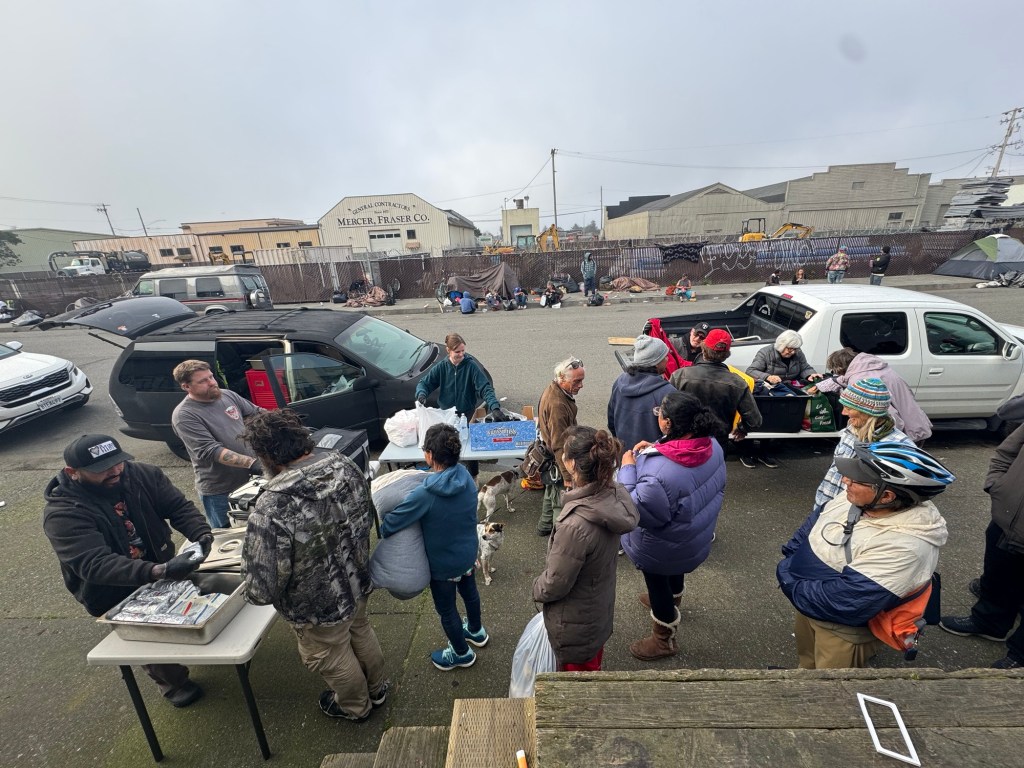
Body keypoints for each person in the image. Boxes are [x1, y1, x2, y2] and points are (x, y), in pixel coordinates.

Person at [43, 434, 213, 707]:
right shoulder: (62, 513)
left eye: (118, 462)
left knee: (185, 614)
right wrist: (160, 570)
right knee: (149, 641)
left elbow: (178, 507)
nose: (115, 471)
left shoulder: (143, 475)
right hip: (112, 589)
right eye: (102, 469)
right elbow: (95, 563)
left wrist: (201, 533)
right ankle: (173, 684)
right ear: (73, 472)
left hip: (160, 564)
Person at [239, 409, 387, 721]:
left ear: (266, 456)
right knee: (360, 629)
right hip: (357, 578)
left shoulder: (273, 504)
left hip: (316, 607)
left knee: (332, 654)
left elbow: (262, 588)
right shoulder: (343, 464)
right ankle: (377, 689)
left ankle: (355, 707)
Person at [777, 442, 953, 669]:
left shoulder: (905, 547)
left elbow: (845, 602)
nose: (845, 481)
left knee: (831, 683)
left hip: (841, 630)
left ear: (886, 495)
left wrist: (788, 577)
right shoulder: (859, 498)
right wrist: (792, 559)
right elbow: (815, 522)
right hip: (808, 602)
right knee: (807, 662)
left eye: (856, 479)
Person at [619, 392, 726, 660]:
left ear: (668, 422)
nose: (658, 417)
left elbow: (636, 509)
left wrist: (628, 468)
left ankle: (663, 638)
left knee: (657, 582)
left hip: (660, 546)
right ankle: (673, 598)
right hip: (690, 534)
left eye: (660, 413)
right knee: (676, 568)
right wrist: (656, 448)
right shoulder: (711, 444)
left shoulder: (660, 473)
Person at [380, 424, 488, 671]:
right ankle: (476, 631)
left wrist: (384, 523)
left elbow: (391, 524)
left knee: (447, 610)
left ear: (429, 455)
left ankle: (461, 653)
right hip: (468, 555)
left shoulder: (426, 494)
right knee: (470, 593)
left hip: (443, 567)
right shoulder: (466, 478)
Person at [533, 426, 639, 671]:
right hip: (596, 609)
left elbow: (554, 584)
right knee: (592, 666)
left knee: (577, 682)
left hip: (574, 623)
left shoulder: (574, 526)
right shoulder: (612, 495)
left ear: (571, 464)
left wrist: (536, 587)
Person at [939, 417, 1024, 669]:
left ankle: (1019, 656)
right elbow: (1008, 449)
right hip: (1008, 516)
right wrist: (997, 485)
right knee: (999, 573)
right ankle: (989, 622)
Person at [171, 359, 262, 529]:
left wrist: (284, 423)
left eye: (211, 377)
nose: (212, 383)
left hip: (250, 481)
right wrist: (252, 463)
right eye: (203, 381)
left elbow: (256, 413)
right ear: (186, 386)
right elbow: (210, 450)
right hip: (221, 491)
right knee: (230, 534)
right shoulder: (184, 415)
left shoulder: (227, 395)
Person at [812, 378, 915, 516]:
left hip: (856, 518)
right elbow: (835, 472)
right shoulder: (851, 431)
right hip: (826, 508)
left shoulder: (898, 446)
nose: (843, 412)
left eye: (849, 408)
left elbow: (899, 495)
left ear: (867, 412)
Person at [416, 332, 506, 479]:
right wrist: (421, 394)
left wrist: (494, 407)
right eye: (457, 352)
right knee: (447, 449)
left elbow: (485, 388)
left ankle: (473, 476)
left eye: (463, 351)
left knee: (470, 449)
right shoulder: (442, 367)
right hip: (447, 416)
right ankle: (448, 476)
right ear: (448, 350)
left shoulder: (471, 366)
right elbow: (424, 383)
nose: (461, 354)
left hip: (467, 413)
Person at [813, 347, 931, 444]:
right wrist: (825, 384)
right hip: (916, 424)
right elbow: (846, 378)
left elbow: (887, 414)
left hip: (903, 437)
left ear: (839, 367)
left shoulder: (860, 380)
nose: (845, 412)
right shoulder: (873, 368)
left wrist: (880, 439)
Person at [670, 330, 762, 450]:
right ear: (726, 354)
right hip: (717, 444)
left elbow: (666, 410)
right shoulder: (738, 383)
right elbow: (755, 421)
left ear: (703, 349)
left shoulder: (679, 375)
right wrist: (742, 429)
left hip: (683, 442)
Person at [536, 357, 585, 536]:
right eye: (577, 381)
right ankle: (559, 537)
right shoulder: (558, 405)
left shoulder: (554, 389)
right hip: (559, 459)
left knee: (551, 491)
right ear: (562, 379)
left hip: (550, 458)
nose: (581, 385)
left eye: (582, 380)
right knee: (560, 502)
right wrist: (567, 476)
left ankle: (544, 526)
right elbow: (559, 445)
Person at [608, 336, 677, 451]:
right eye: (665, 356)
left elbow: (611, 422)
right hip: (654, 458)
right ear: (656, 363)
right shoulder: (667, 392)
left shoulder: (619, 382)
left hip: (625, 455)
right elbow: (675, 433)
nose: (667, 359)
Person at [746, 330, 823, 386]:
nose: (793, 352)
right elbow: (751, 371)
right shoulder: (766, 353)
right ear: (781, 345)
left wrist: (810, 374)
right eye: (790, 349)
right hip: (773, 388)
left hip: (793, 386)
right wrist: (768, 377)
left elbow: (805, 368)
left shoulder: (798, 353)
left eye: (795, 349)